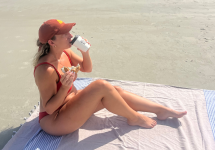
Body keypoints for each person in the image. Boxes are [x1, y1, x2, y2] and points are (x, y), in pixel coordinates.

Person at [33, 19, 187, 136]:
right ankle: (134, 118)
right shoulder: (46, 70)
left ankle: (160, 110)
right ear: (52, 42)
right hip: (54, 121)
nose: (71, 35)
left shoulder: (66, 52)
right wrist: (65, 88)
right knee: (100, 86)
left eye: (69, 31)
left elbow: (87, 68)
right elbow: (50, 109)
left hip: (70, 104)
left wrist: (85, 52)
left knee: (115, 91)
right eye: (65, 34)